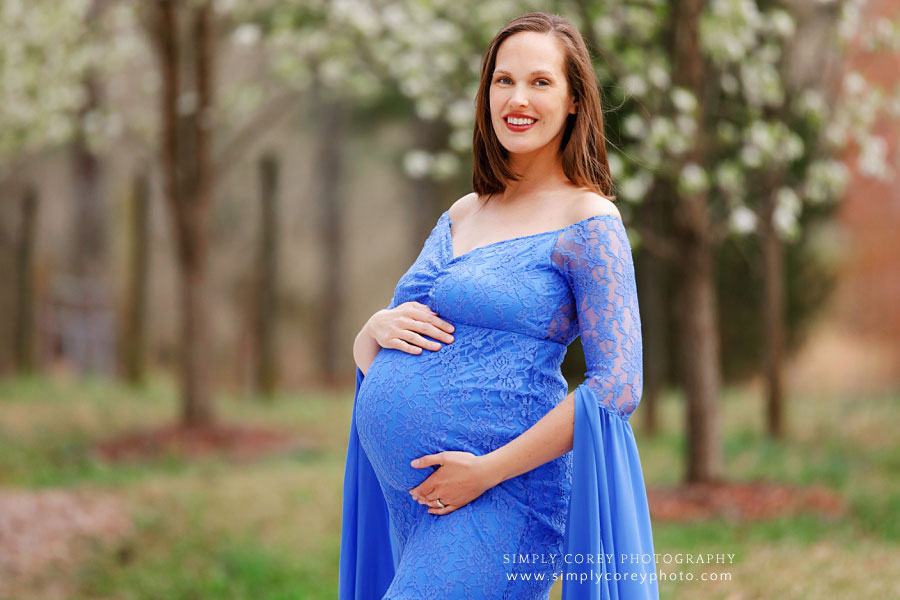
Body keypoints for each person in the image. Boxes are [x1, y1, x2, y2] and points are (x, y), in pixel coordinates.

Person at [339, 11, 659, 600]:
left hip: (502, 498)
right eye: (503, 80)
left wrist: (486, 472)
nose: (518, 98)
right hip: (415, 501)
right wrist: (372, 329)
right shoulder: (463, 211)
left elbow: (618, 384)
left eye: (540, 82)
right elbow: (387, 347)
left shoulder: (589, 220)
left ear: (573, 102)